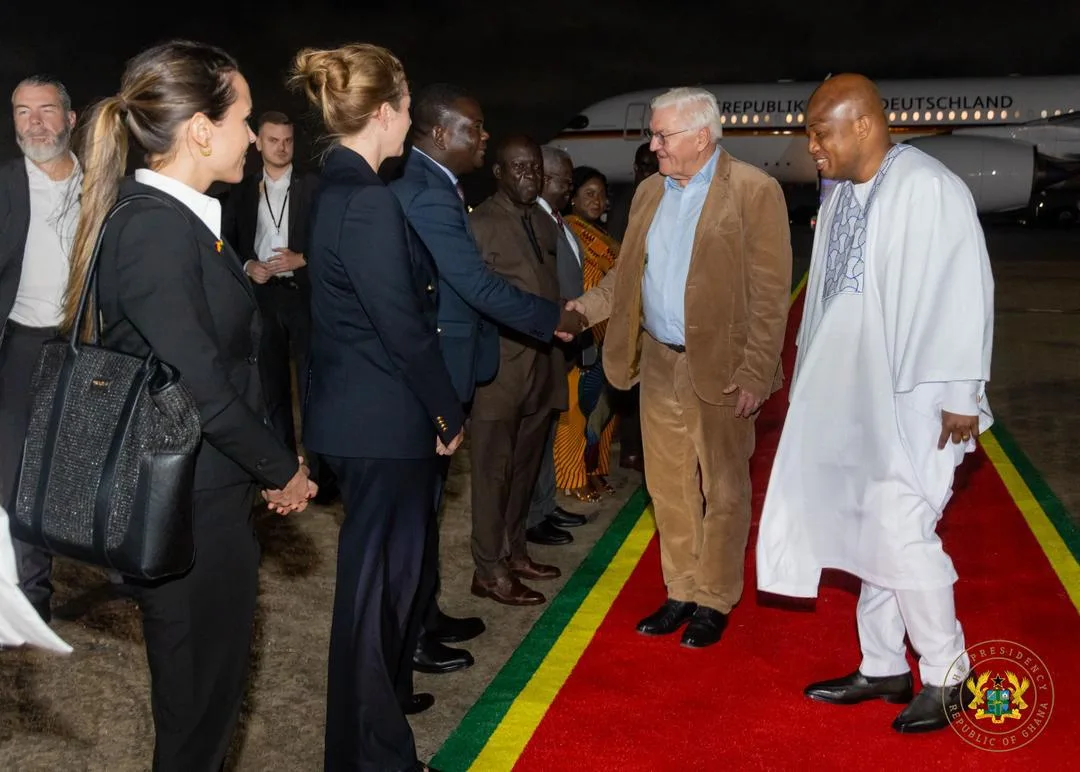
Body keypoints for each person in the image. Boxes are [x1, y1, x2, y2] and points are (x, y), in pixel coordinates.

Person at [62, 40, 316, 771]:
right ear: (201, 130)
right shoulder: (151, 228)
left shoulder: (183, 223)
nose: (248, 134)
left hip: (206, 503)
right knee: (195, 714)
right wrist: (280, 467)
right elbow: (201, 381)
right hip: (183, 515)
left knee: (207, 704)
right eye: (240, 117)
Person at [755, 73, 994, 733]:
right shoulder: (842, 197)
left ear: (862, 123)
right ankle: (885, 666)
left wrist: (961, 395)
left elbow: (962, 289)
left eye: (820, 133)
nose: (812, 148)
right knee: (871, 532)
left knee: (900, 532)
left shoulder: (927, 187)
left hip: (918, 398)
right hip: (851, 398)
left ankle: (951, 675)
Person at [290, 43, 464, 772]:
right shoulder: (364, 200)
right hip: (383, 423)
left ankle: (365, 754)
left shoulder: (332, 188)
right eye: (408, 107)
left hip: (354, 417)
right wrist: (446, 412)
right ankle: (376, 760)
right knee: (376, 607)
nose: (410, 124)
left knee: (375, 601)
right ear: (386, 113)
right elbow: (401, 325)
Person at [568, 86, 791, 648]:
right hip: (658, 362)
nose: (654, 144)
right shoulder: (649, 192)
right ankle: (682, 590)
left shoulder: (753, 191)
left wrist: (757, 372)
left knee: (724, 489)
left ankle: (715, 598)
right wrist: (581, 309)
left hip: (721, 367)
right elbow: (626, 275)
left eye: (663, 135)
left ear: (701, 136)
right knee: (667, 487)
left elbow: (769, 296)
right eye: (654, 133)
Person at [389, 83, 584, 676]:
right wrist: (553, 319)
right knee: (438, 502)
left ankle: (428, 615)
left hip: (488, 364)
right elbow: (472, 287)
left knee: (450, 501)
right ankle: (425, 622)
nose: (483, 137)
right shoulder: (432, 197)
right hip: (461, 366)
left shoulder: (476, 201)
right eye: (475, 129)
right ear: (441, 132)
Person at [468, 135, 568, 607]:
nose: (530, 177)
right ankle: (488, 569)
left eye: (535, 170)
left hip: (542, 366)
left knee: (526, 469)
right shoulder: (481, 224)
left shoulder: (541, 221)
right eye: (519, 169)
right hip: (499, 370)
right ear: (499, 173)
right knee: (493, 474)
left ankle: (515, 552)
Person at [222, 111, 337, 501]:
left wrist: (303, 259)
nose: (282, 147)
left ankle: (321, 478)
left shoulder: (316, 187)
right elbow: (225, 242)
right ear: (258, 143)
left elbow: (334, 239)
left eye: (287, 140)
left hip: (304, 295)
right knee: (270, 389)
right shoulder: (238, 189)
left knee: (313, 388)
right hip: (262, 298)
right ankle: (285, 474)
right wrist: (247, 265)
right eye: (273, 140)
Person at [0, 74, 80, 624]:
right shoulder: (5, 185)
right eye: (22, 112)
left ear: (70, 119)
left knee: (88, 461)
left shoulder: (102, 185)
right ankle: (29, 593)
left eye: (46, 110)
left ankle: (128, 568)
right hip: (22, 345)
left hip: (86, 345)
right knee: (16, 475)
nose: (34, 122)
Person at [525, 144, 592, 547]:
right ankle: (533, 516)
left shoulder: (559, 221)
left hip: (564, 342)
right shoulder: (532, 222)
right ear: (544, 177)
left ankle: (546, 506)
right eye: (565, 180)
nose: (570, 187)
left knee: (549, 430)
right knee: (535, 434)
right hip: (545, 342)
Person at [556, 165, 621, 502]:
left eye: (601, 194)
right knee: (576, 408)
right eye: (589, 194)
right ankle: (571, 475)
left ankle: (596, 469)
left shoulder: (605, 235)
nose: (597, 200)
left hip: (608, 332)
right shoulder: (570, 229)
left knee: (603, 410)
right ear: (573, 199)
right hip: (583, 330)